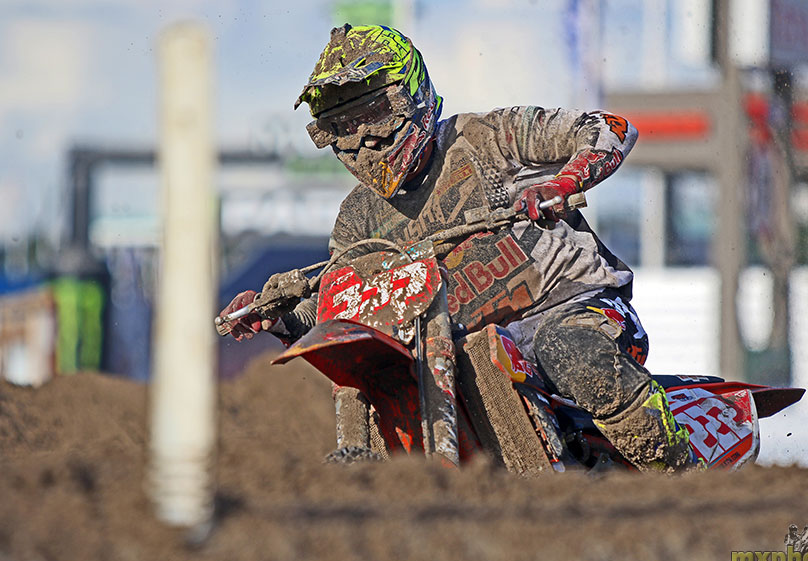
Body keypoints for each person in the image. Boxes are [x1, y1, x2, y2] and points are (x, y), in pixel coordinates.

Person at [220, 24, 696, 471]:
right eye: (344, 128)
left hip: (574, 309)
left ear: (411, 98)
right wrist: (279, 317)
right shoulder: (357, 219)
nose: (364, 142)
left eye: (373, 118)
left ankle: (683, 477)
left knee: (565, 347)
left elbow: (609, 126)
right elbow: (341, 310)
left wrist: (563, 182)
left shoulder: (485, 140)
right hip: (455, 347)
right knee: (378, 369)